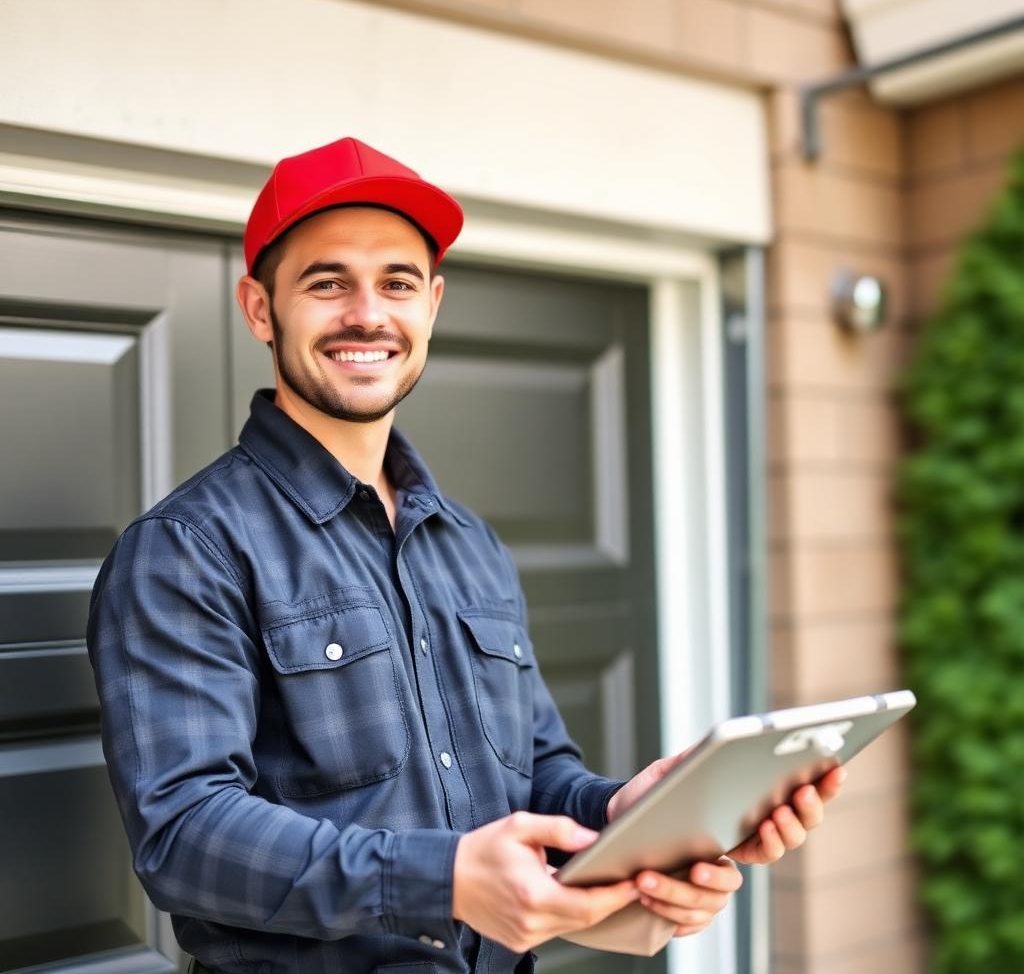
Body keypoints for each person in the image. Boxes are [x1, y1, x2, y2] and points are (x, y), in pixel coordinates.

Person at [87, 137, 844, 974]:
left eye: (397, 283)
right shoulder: (188, 549)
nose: (368, 314)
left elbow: (537, 775)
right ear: (260, 309)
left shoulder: (470, 545)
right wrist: (442, 878)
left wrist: (626, 814)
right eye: (327, 282)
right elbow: (184, 833)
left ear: (433, 305)